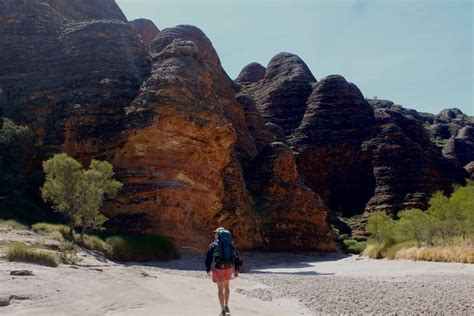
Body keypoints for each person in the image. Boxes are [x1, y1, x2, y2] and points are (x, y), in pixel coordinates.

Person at [205, 227, 241, 316]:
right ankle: (226, 305)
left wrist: (208, 268)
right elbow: (236, 257)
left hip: (218, 268)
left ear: (218, 234)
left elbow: (209, 257)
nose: (215, 234)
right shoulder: (230, 244)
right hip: (229, 267)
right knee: (227, 286)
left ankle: (222, 310)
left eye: (216, 233)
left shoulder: (213, 244)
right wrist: (236, 269)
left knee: (220, 289)